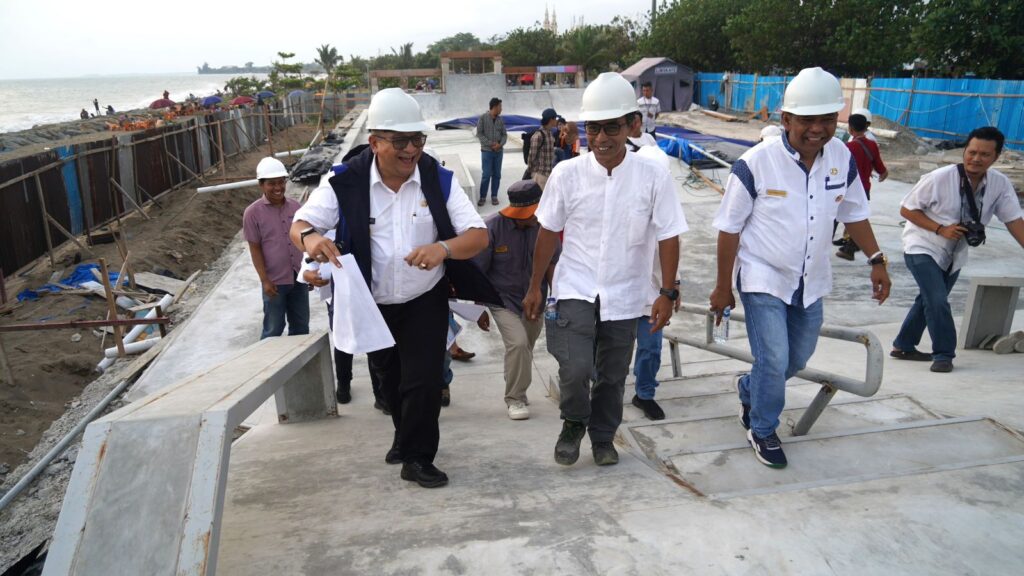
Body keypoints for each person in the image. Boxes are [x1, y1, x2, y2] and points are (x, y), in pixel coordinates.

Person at [290, 88, 488, 489]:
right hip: (372, 301)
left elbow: (478, 235)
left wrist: (443, 248)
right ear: (375, 142)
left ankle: (417, 458)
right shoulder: (344, 182)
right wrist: (311, 240)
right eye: (401, 141)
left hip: (423, 299)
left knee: (425, 381)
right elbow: (300, 225)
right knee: (389, 381)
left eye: (418, 139)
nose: (412, 149)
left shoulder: (437, 179)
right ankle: (403, 435)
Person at [709, 67, 891, 469]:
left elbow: (854, 212)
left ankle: (749, 387)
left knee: (796, 359)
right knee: (773, 359)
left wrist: (877, 259)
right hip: (762, 276)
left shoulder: (841, 157)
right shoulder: (756, 163)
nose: (818, 129)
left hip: (811, 280)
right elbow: (729, 228)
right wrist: (724, 287)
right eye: (807, 120)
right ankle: (762, 427)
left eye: (827, 119)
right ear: (786, 119)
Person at [524, 72, 688, 467]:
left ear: (632, 124)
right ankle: (573, 423)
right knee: (577, 367)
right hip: (576, 287)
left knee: (613, 375)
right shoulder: (568, 174)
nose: (601, 138)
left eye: (611, 128)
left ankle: (602, 438)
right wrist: (534, 287)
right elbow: (547, 232)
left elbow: (668, 235)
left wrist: (666, 292)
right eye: (593, 128)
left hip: (627, 292)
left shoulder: (652, 176)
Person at [891, 126, 1024, 373]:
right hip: (922, 245)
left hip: (955, 253)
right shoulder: (939, 178)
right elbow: (907, 209)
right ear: (964, 151)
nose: (976, 158)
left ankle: (903, 345)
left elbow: (1014, 220)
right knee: (937, 300)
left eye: (984, 154)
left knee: (929, 299)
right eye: (972, 152)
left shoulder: (1000, 184)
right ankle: (943, 354)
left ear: (996, 157)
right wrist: (940, 228)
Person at [474, 180, 559, 420]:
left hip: (537, 300)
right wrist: (479, 307)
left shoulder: (547, 226)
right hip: (502, 299)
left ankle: (515, 384)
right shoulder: (491, 228)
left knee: (524, 349)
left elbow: (553, 263)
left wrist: (556, 298)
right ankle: (515, 398)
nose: (530, 219)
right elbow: (478, 271)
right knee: (519, 344)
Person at [630, 146, 681, 421]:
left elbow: (673, 249)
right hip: (621, 290)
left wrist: (673, 288)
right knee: (607, 347)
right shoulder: (623, 201)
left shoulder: (668, 206)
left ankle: (645, 393)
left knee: (651, 347)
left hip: (653, 294)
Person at [243, 157, 310, 340]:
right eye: (272, 184)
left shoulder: (296, 207)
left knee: (301, 328)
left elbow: (304, 241)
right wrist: (264, 280)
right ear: (261, 185)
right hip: (275, 282)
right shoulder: (253, 213)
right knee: (273, 329)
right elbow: (255, 248)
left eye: (281, 182)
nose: (278, 188)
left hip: (299, 278)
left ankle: (298, 367)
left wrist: (309, 270)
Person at [297, 229, 353, 404]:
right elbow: (307, 267)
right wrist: (310, 275)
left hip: (365, 288)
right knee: (342, 339)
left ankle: (380, 393)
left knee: (375, 339)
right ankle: (344, 384)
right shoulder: (319, 229)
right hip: (336, 295)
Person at [836, 112, 888, 260]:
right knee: (856, 215)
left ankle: (849, 248)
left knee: (836, 217)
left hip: (846, 187)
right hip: (864, 187)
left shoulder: (848, 147)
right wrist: (883, 173)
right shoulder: (872, 145)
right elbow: (879, 165)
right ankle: (849, 243)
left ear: (850, 129)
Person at [476, 97, 507, 207]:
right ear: (494, 107)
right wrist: (491, 144)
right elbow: (479, 133)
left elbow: (504, 134)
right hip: (487, 151)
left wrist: (500, 144)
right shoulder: (483, 118)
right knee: (486, 174)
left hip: (498, 152)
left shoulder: (500, 120)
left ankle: (494, 195)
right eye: (500, 107)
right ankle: (483, 196)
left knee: (497, 174)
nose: (501, 109)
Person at [526, 108, 558, 190]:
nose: (556, 121)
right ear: (551, 119)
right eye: (555, 118)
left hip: (548, 174)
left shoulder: (549, 133)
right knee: (540, 201)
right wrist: (533, 172)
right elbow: (531, 156)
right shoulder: (538, 135)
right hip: (540, 175)